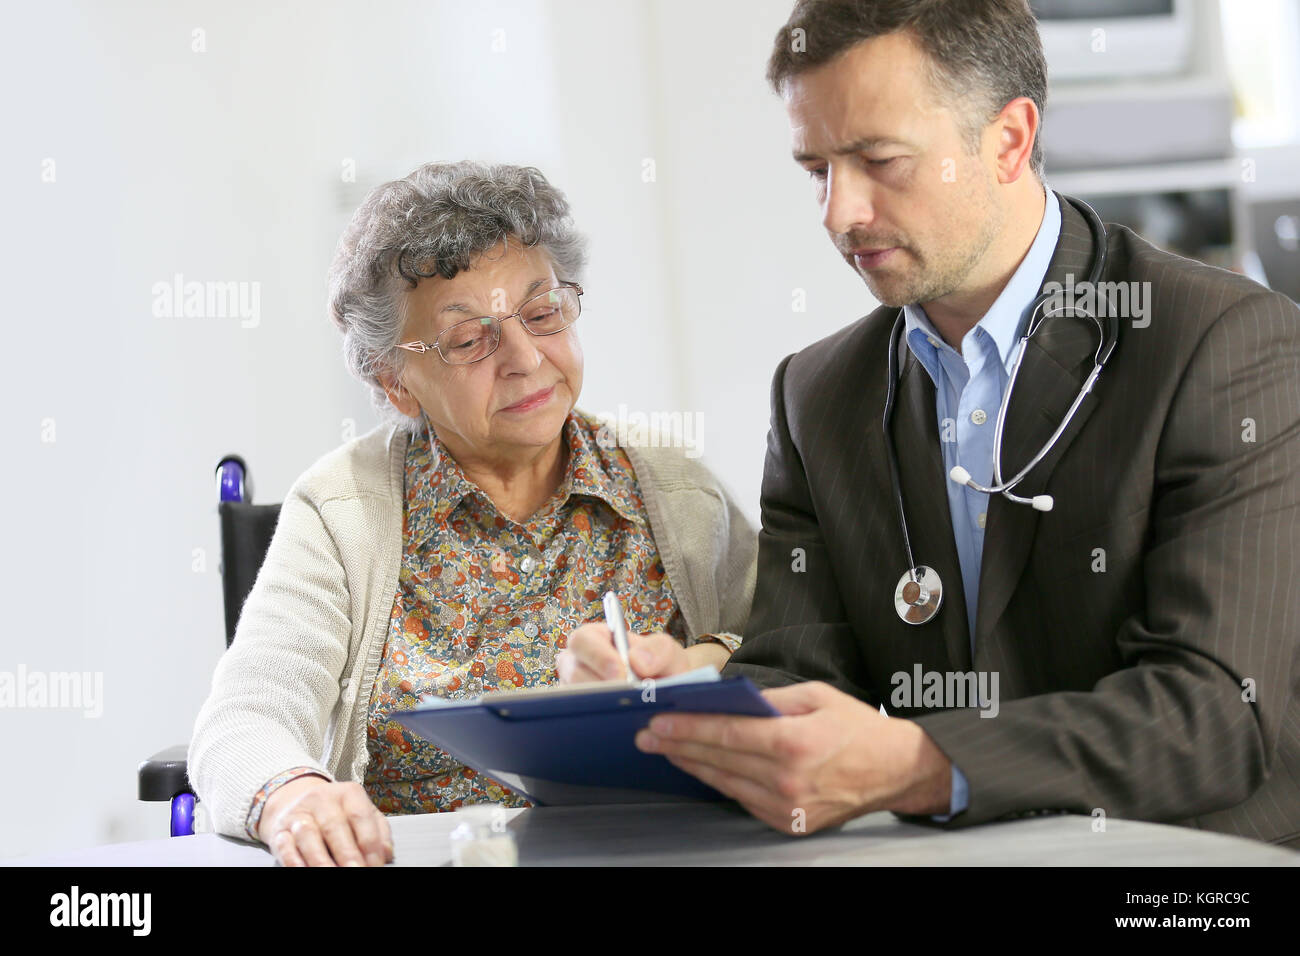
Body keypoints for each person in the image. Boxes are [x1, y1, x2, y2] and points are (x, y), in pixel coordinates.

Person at [630, 0, 1300, 849]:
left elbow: (1212, 716)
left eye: (878, 160)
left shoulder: (1219, 343)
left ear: (1009, 140)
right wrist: (661, 707)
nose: (838, 214)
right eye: (817, 170)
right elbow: (800, 677)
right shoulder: (817, 395)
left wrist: (919, 760)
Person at [188, 161, 756, 866]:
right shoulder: (341, 513)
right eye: (468, 340)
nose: (524, 358)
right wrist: (294, 795)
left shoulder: (675, 491)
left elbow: (793, 653)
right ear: (396, 383)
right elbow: (244, 719)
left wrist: (708, 662)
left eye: (542, 314)